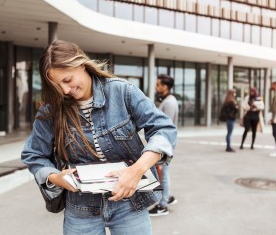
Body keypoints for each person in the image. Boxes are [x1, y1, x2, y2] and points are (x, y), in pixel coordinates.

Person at [21, 40, 177, 235]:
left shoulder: (122, 91)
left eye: (68, 80)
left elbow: (164, 129)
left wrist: (137, 170)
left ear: (81, 64)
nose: (65, 90)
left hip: (130, 203)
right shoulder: (51, 109)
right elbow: (34, 155)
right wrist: (55, 178)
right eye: (57, 85)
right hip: (80, 209)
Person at [148, 74, 178, 216]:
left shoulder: (170, 103)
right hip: (164, 143)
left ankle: (163, 205)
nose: (156, 86)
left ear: (165, 87)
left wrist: (159, 148)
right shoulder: (167, 100)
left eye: (158, 84)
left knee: (163, 173)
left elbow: (166, 126)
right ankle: (168, 196)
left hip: (164, 144)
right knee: (164, 172)